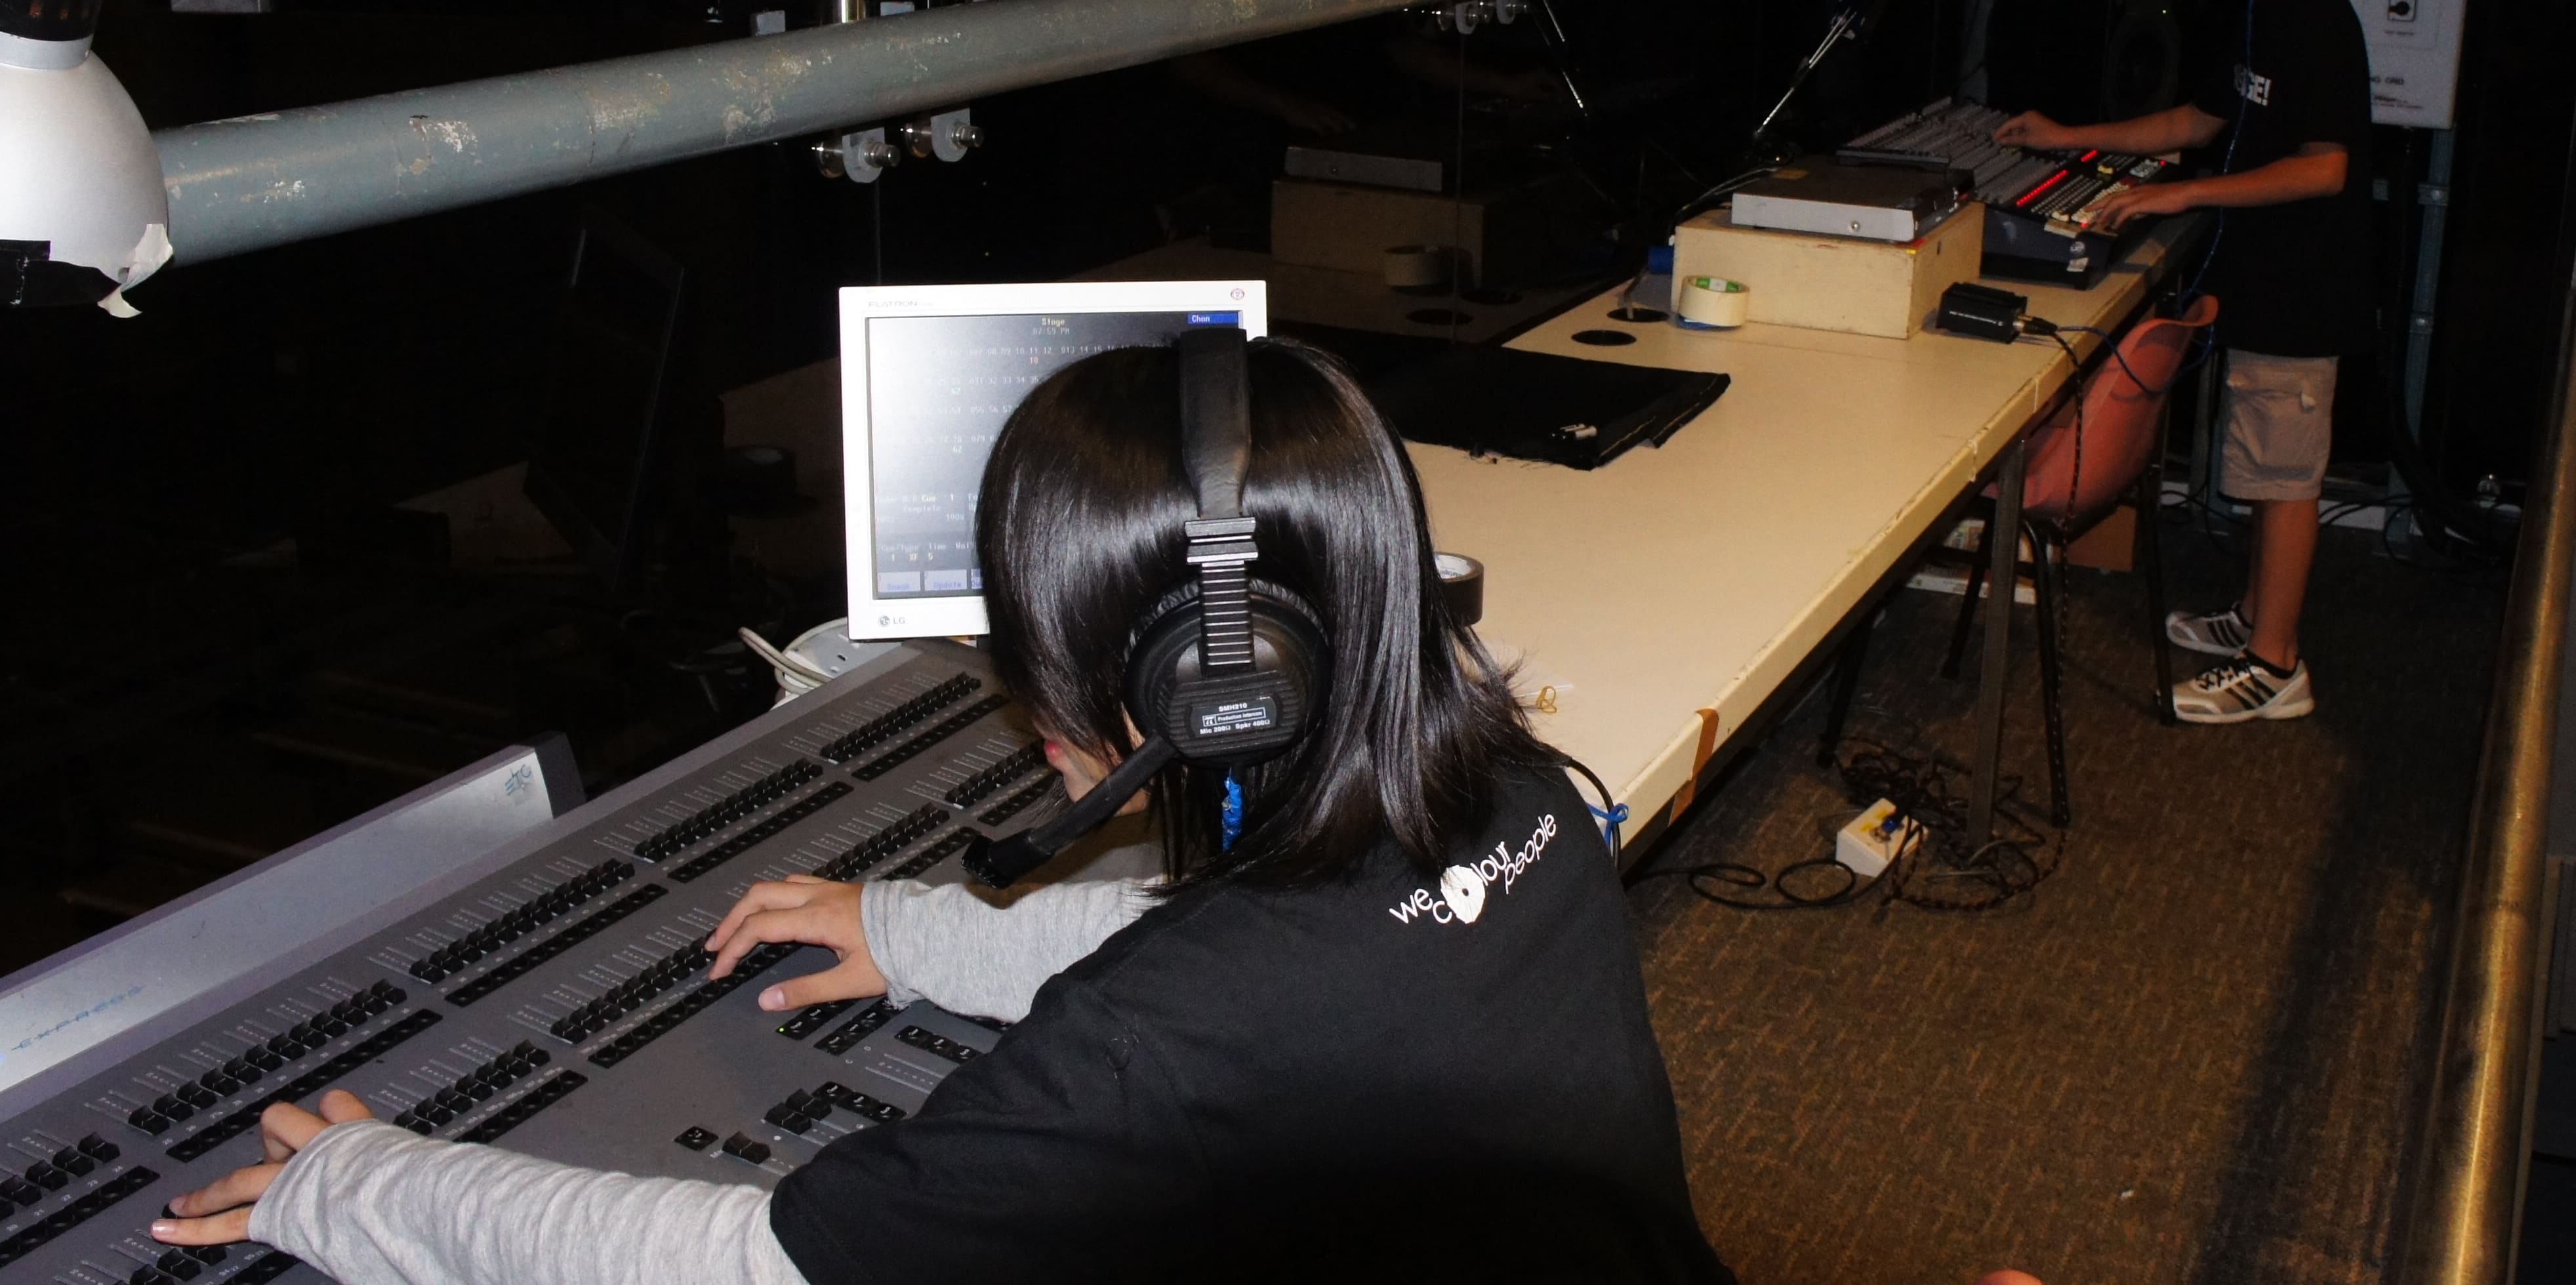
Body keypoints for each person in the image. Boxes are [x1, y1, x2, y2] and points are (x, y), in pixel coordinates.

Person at [154, 337, 1734, 1283]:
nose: (1014, 679)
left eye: (1028, 642)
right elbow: (1288, 956)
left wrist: (357, 1191)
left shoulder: (1161, 1045)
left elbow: (763, 1264)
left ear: (1209, 687)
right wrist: (908, 933)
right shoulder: (1513, 790)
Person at [1990, 0, 2375, 725]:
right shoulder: (2264, 14)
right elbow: (2200, 119)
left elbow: (2324, 169)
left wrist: (2185, 191)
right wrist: (2067, 134)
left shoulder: (2318, 19)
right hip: (2269, 279)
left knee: (2283, 476)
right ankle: (2256, 617)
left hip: (2306, 285)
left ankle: (2277, 666)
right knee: (2262, 459)